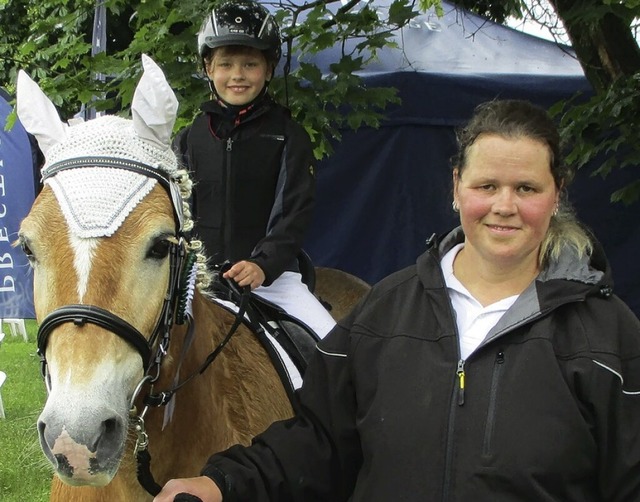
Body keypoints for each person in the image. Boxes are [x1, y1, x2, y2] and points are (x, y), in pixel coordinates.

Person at [155, 99, 640, 501]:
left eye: (527, 188)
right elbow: (319, 442)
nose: (504, 206)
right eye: (486, 186)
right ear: (456, 187)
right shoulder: (385, 311)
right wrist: (223, 484)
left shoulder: (608, 335)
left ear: (556, 196)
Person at [173, 0, 336, 338]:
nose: (237, 75)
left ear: (269, 68)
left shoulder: (289, 136)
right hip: (198, 281)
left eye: (250, 64)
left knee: (335, 351)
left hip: (270, 281)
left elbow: (293, 212)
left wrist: (263, 264)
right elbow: (175, 211)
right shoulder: (189, 139)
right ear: (207, 67)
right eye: (226, 64)